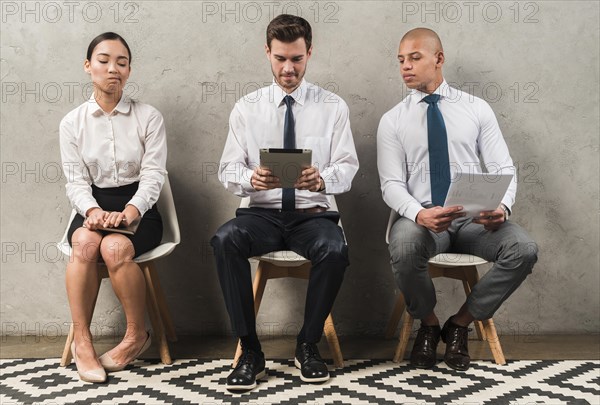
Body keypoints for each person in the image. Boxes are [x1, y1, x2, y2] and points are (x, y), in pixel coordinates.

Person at [211, 14, 359, 390]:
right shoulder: (248, 107)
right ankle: (251, 350)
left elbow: (349, 167)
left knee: (335, 248)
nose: (288, 68)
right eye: (280, 59)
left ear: (309, 53)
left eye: (296, 58)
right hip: (261, 214)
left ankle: (307, 344)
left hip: (313, 215)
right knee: (225, 239)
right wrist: (250, 178)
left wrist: (323, 178)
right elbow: (227, 169)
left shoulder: (333, 106)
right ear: (267, 53)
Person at [377, 28, 538, 371]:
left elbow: (503, 167)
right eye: (401, 60)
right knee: (403, 245)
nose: (406, 66)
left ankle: (460, 324)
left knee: (523, 249)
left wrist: (503, 207)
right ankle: (429, 324)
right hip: (424, 219)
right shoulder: (392, 120)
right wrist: (419, 215)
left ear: (439, 58)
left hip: (473, 219)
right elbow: (390, 185)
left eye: (415, 57)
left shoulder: (476, 109)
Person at [59, 32, 167, 383]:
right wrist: (92, 212)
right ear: (88, 66)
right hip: (94, 204)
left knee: (116, 246)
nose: (113, 69)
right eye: (104, 61)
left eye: (121, 62)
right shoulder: (72, 122)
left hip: (140, 208)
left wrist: (131, 211)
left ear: (129, 70)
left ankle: (137, 336)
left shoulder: (148, 117)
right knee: (86, 244)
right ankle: (83, 342)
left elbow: (154, 176)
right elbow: (75, 181)